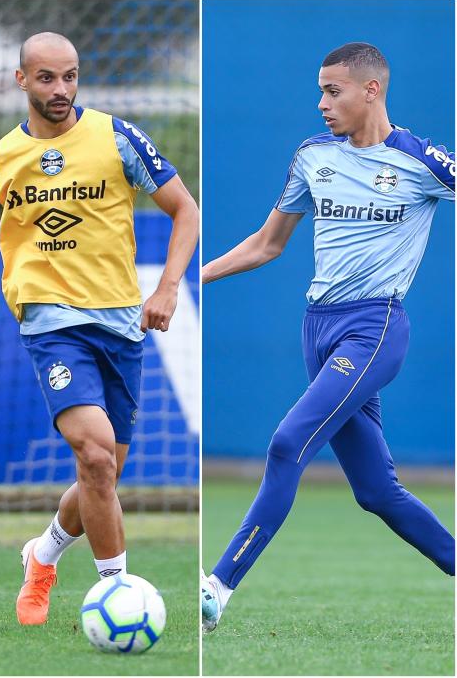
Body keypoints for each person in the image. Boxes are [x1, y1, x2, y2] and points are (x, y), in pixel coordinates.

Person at [200, 42, 456, 633]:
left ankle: (217, 586)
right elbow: (268, 243)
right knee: (377, 493)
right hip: (317, 331)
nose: (321, 103)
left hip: (375, 328)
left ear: (372, 90)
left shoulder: (422, 160)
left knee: (288, 442)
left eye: (332, 90)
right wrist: (196, 274)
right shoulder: (314, 157)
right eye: (319, 90)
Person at [0, 32, 199, 625]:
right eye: (46, 78)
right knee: (92, 452)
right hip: (51, 323)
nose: (59, 90)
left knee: (102, 471)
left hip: (121, 323)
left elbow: (186, 209)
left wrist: (166, 288)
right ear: (21, 81)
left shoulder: (117, 137)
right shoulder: (1, 158)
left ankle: (43, 554)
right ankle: (118, 590)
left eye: (69, 77)